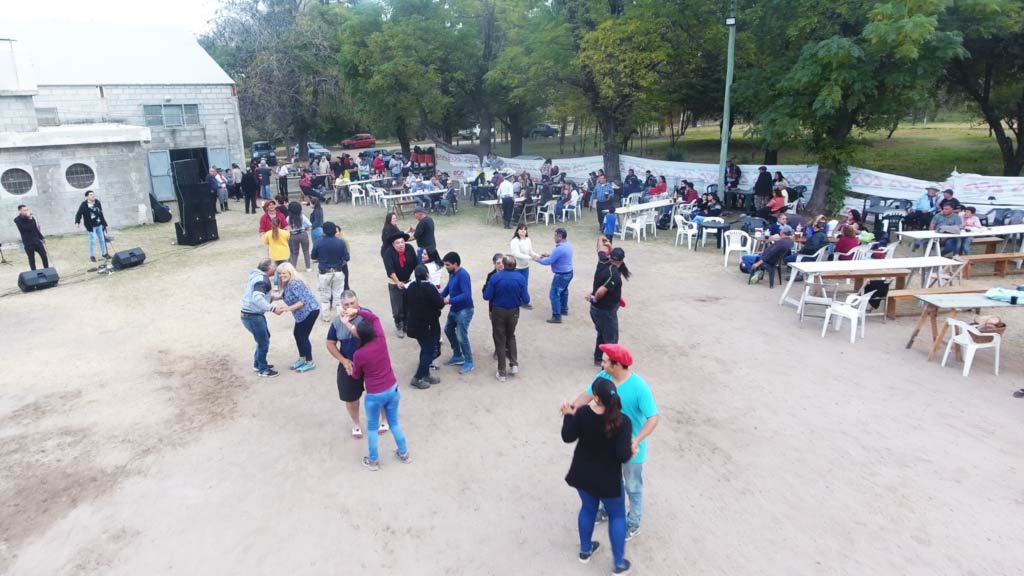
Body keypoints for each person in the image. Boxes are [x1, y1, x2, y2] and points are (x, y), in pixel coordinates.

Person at [570, 344, 658, 543]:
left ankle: (634, 522)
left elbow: (653, 417)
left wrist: (636, 440)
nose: (601, 363)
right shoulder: (603, 379)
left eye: (604, 361)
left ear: (616, 364)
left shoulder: (639, 387)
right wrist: (572, 408)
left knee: (633, 486)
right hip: (607, 446)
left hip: (631, 449)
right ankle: (606, 509)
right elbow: (587, 395)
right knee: (607, 479)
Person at [561, 376, 634, 574]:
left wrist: (568, 414)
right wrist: (631, 450)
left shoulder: (583, 413)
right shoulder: (623, 421)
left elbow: (567, 437)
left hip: (583, 475)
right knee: (617, 516)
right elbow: (622, 455)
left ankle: (585, 551)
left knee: (587, 509)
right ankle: (619, 564)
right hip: (608, 480)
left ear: (596, 397)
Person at [335, 305, 411, 471]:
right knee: (394, 423)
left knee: (371, 428)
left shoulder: (359, 354)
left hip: (375, 395)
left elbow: (356, 376)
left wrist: (349, 368)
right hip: (392, 388)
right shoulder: (380, 338)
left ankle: (373, 460)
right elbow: (374, 318)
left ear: (359, 336)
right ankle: (404, 453)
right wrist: (357, 311)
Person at [325, 290, 385, 439]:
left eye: (353, 303)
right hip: (349, 363)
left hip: (371, 362)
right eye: (346, 304)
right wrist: (343, 360)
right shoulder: (337, 322)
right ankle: (356, 424)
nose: (350, 306)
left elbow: (371, 337)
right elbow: (330, 343)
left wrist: (349, 325)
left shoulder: (366, 316)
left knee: (379, 394)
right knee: (350, 397)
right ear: (342, 305)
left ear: (358, 302)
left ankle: (384, 420)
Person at [483, 255, 530, 382]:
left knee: (499, 339)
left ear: (503, 264)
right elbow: (526, 299)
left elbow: (486, 296)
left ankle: (502, 371)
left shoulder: (495, 277)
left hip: (498, 311)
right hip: (514, 311)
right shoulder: (520, 278)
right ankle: (514, 364)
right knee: (511, 336)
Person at [587, 241, 630, 366]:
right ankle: (609, 366)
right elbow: (601, 291)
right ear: (621, 261)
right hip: (605, 311)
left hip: (596, 309)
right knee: (611, 340)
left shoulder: (602, 260)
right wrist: (594, 298)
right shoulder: (614, 275)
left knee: (601, 333)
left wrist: (604, 241)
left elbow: (599, 246)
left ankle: (598, 358)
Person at [241, 260, 285, 378]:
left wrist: (275, 298)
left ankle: (258, 363)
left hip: (251, 315)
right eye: (274, 267)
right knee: (263, 342)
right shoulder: (262, 280)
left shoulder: (257, 277)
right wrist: (273, 309)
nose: (276, 270)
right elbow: (257, 298)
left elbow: (259, 296)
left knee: (264, 339)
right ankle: (263, 369)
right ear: (269, 268)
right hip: (253, 316)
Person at [404, 264, 445, 389]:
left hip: (414, 325)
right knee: (429, 351)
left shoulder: (410, 286)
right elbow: (440, 304)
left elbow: (405, 303)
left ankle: (426, 374)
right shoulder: (430, 287)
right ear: (427, 274)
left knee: (425, 348)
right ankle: (418, 377)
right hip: (428, 326)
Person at [275, 263, 321, 372]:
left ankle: (310, 362)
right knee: (297, 334)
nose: (281, 276)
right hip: (301, 313)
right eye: (280, 274)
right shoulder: (287, 284)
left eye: (284, 273)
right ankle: (302, 358)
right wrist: (272, 298)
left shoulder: (295, 283)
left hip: (310, 311)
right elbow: (286, 294)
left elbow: (302, 302)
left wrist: (287, 308)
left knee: (303, 336)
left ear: (290, 273)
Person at [441, 251, 475, 374]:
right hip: (455, 309)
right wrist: (439, 297)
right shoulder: (452, 274)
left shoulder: (463, 275)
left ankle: (469, 362)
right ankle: (457, 355)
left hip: (464, 310)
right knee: (448, 330)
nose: (446, 267)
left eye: (448, 265)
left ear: (455, 264)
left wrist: (449, 300)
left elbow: (466, 295)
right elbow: (448, 288)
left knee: (461, 335)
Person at [534, 227, 574, 324]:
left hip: (561, 274)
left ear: (560, 237)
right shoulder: (568, 245)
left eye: (555, 235)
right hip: (569, 272)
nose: (554, 237)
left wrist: (537, 259)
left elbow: (549, 262)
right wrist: (549, 255)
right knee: (564, 291)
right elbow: (557, 257)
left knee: (554, 294)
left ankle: (557, 316)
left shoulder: (559, 248)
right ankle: (564, 309)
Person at [312, 221, 350, 321]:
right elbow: (347, 257)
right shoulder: (340, 242)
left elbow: (313, 256)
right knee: (338, 295)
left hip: (324, 272)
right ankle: (340, 316)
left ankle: (326, 316)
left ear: (323, 231)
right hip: (338, 271)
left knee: (324, 296)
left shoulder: (318, 242)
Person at [382, 231, 418, 337]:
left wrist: (416, 278)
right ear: (393, 244)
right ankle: (399, 326)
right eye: (398, 243)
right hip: (394, 282)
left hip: (408, 281)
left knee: (408, 304)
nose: (401, 244)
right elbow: (390, 270)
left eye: (402, 242)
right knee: (397, 307)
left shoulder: (410, 249)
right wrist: (398, 282)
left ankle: (407, 324)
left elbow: (416, 264)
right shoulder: (388, 253)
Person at [74, 190, 109, 262]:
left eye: (93, 194)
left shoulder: (97, 202)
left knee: (102, 239)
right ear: (87, 197)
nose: (93, 196)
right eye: (91, 195)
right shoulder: (83, 205)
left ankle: (104, 253)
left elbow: (101, 213)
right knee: (92, 241)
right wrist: (77, 222)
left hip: (99, 224)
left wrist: (103, 223)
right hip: (91, 226)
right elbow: (79, 214)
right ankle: (92, 256)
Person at [509, 223, 539, 307]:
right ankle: (514, 300)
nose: (523, 231)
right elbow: (516, 254)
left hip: (525, 267)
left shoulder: (528, 240)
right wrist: (529, 257)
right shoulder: (514, 241)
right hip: (517, 267)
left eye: (524, 229)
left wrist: (538, 256)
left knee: (524, 284)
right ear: (517, 231)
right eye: (521, 229)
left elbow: (531, 252)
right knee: (516, 285)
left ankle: (524, 301)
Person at [14, 205, 48, 271]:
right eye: (25, 210)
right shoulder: (17, 220)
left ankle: (47, 270)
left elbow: (35, 229)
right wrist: (29, 218)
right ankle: (34, 273)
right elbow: (27, 228)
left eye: (27, 209)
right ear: (20, 211)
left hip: (37, 241)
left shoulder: (31, 218)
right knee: (31, 259)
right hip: (28, 243)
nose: (27, 211)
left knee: (44, 256)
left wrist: (41, 237)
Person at [286, 202, 312, 272]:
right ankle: (308, 267)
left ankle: (293, 268)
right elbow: (309, 225)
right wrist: (305, 229)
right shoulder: (302, 216)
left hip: (293, 235)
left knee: (295, 252)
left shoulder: (288, 218)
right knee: (306, 251)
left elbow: (287, 227)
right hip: (303, 234)